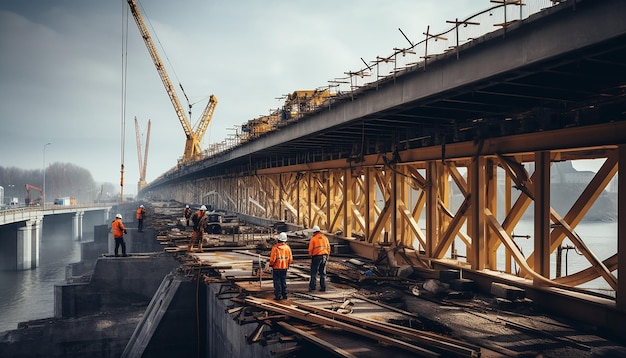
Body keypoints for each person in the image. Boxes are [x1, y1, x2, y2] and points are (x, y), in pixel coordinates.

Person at [269, 232, 293, 301]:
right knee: (283, 281)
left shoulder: (275, 248)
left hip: (276, 267)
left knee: (277, 282)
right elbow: (290, 258)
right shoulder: (287, 248)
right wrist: (289, 263)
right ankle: (284, 295)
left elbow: (272, 259)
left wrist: (271, 264)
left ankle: (278, 295)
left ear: (278, 240)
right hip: (284, 267)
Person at [308, 225, 330, 292]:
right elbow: (328, 247)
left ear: (314, 232)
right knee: (323, 272)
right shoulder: (325, 238)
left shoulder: (313, 239)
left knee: (314, 272)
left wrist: (311, 255)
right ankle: (323, 287)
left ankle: (312, 287)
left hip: (316, 256)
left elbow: (310, 249)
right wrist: (327, 255)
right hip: (324, 256)